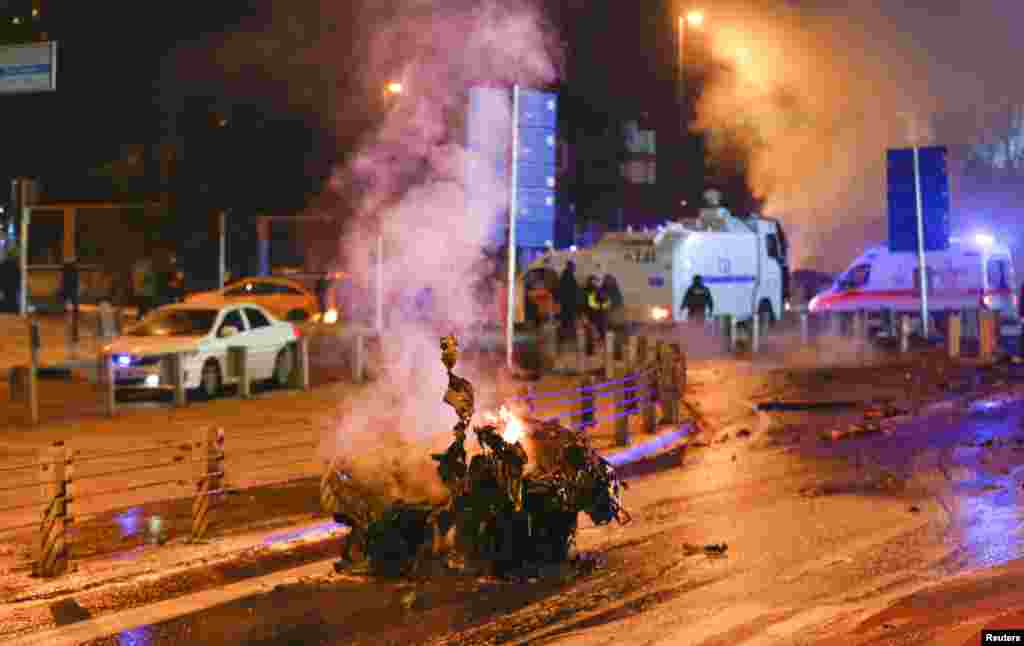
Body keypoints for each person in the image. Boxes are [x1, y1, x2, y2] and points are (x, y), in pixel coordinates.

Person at [584, 275, 611, 353]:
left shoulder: (598, 290)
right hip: (595, 317)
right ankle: (593, 351)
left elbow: (605, 304)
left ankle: (595, 351)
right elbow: (592, 304)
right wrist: (601, 306)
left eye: (596, 281)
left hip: (598, 317)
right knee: (594, 336)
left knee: (597, 336)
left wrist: (601, 305)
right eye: (594, 281)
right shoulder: (592, 291)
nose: (595, 283)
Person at [556, 261, 579, 345]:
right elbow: (572, 290)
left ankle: (565, 337)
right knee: (568, 320)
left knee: (565, 321)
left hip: (566, 303)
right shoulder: (568, 276)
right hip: (568, 303)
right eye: (573, 267)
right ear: (570, 267)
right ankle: (567, 338)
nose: (574, 269)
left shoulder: (565, 276)